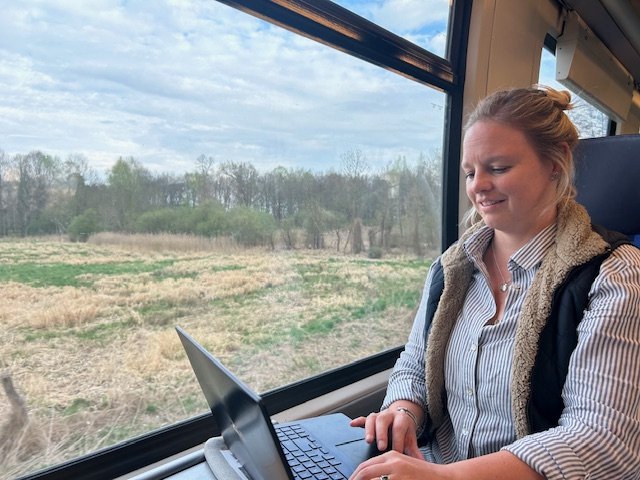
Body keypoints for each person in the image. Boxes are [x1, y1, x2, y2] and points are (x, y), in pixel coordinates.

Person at [348, 85, 640, 480]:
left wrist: (448, 477)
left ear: (555, 164)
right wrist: (403, 411)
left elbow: (601, 439)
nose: (477, 186)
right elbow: (415, 366)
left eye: (498, 168)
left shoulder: (615, 276)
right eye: (470, 172)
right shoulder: (450, 270)